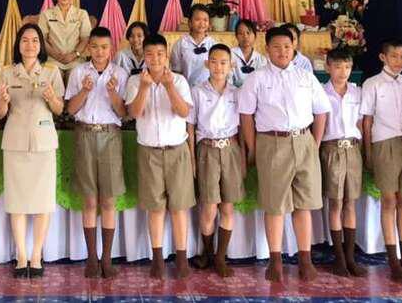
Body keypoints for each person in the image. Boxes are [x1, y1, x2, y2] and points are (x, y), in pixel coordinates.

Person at [239, 26, 330, 283]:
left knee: (304, 204)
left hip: (304, 142)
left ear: (294, 48)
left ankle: (305, 260)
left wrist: (314, 143)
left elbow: (321, 111)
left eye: (287, 47)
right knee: (275, 205)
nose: (283, 52)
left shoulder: (305, 77)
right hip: (272, 143)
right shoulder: (256, 79)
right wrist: (253, 148)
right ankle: (275, 261)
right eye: (277, 47)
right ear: (266, 49)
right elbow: (246, 116)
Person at [0, 23, 65, 279]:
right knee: (17, 202)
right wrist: (3, 101)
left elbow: (59, 109)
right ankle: (21, 256)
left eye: (35, 40)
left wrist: (51, 98)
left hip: (43, 143)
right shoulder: (6, 73)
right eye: (25, 40)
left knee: (43, 201)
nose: (30, 45)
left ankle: (36, 255)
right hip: (15, 143)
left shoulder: (52, 71)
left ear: (41, 45)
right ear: (18, 44)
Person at [126, 33, 195, 280]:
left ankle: (182, 259)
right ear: (143, 56)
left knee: (179, 207)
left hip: (176, 151)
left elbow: (184, 112)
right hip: (149, 152)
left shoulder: (179, 80)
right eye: (150, 54)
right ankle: (157, 259)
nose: (155, 59)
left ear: (167, 56)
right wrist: (145, 87)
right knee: (155, 208)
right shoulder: (135, 81)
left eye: (160, 54)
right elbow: (134, 113)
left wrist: (168, 86)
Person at [65, 27, 128, 279]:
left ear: (111, 48)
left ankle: (107, 258)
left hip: (110, 135)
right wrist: (84, 90)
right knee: (90, 200)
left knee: (108, 200)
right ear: (88, 48)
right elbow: (70, 109)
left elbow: (124, 113)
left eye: (104, 47)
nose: (100, 52)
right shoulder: (78, 72)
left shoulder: (120, 74)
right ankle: (92, 258)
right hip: (85, 134)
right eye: (95, 47)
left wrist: (112, 93)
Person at [359, 39, 402, 284]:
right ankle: (393, 261)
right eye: (394, 56)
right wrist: (368, 153)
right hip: (384, 144)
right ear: (383, 57)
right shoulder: (372, 84)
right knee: (388, 200)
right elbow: (366, 121)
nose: (399, 61)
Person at [186, 44, 245, 277]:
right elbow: (190, 128)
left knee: (227, 206)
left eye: (223, 62)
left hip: (230, 149)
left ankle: (221, 256)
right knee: (209, 207)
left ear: (231, 65)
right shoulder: (197, 92)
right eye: (214, 62)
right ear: (206, 63)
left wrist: (242, 157)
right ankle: (208, 253)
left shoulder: (237, 93)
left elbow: (242, 129)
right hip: (207, 150)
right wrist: (192, 158)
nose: (218, 67)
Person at [320, 47, 366, 277]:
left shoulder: (357, 93)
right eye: (338, 67)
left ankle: (350, 257)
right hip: (332, 149)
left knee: (350, 203)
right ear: (328, 67)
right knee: (336, 203)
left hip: (353, 149)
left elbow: (361, 124)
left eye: (347, 67)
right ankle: (338, 257)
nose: (343, 72)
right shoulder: (321, 92)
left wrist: (365, 151)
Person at [38, 0, 92, 79]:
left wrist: (74, 54)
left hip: (76, 59)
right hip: (53, 60)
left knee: (75, 75)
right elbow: (41, 39)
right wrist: (56, 55)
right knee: (54, 74)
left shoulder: (82, 14)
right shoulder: (46, 14)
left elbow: (85, 38)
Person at [170, 4, 215, 86]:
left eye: (205, 20)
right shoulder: (180, 44)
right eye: (197, 19)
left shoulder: (213, 44)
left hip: (208, 90)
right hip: (186, 89)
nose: (202, 23)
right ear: (190, 22)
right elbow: (176, 72)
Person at [230, 19, 267, 87]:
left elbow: (263, 83)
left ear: (255, 35)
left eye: (248, 33)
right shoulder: (229, 55)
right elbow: (227, 81)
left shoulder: (261, 59)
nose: (245, 36)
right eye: (241, 33)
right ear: (236, 36)